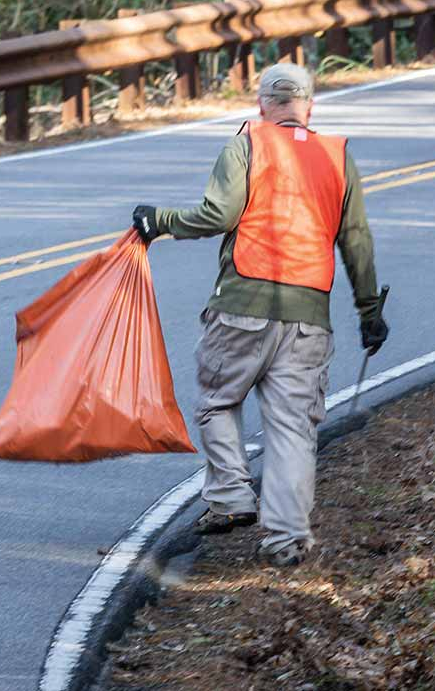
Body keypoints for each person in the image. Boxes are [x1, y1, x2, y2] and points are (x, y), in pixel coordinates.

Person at [131, 62, 387, 567]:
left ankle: (230, 497)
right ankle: (286, 543)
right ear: (310, 107)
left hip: (240, 309)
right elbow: (355, 241)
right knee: (293, 428)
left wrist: (158, 221)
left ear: (261, 104)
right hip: (308, 319)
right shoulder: (338, 158)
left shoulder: (246, 144)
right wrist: (369, 311)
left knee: (218, 400)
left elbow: (217, 216)